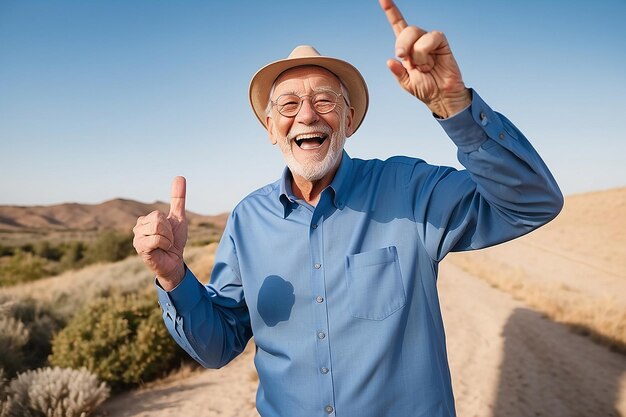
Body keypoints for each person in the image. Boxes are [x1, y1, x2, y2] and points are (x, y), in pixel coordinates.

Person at [132, 1, 563, 416]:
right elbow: (218, 345)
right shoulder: (247, 220)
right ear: (270, 129)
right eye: (288, 105)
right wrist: (173, 278)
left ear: (350, 119)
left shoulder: (409, 187)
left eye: (324, 101)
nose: (307, 116)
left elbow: (531, 203)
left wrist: (455, 107)